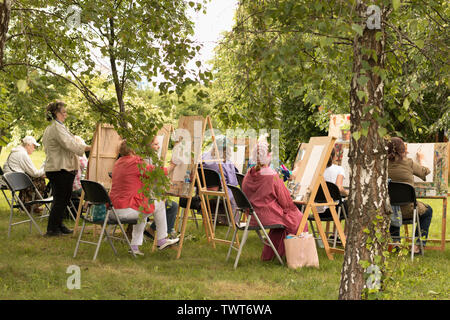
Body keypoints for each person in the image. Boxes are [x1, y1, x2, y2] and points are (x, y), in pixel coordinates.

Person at [109, 139, 179, 255]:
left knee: (143, 209)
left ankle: (135, 247)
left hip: (113, 210)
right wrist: (172, 165)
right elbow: (159, 172)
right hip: (127, 210)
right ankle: (162, 240)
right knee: (159, 203)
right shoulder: (135, 162)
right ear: (133, 150)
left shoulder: (118, 163)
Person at [242, 141, 307, 261]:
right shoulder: (271, 175)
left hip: (252, 216)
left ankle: (273, 255)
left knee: (289, 218)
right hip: (265, 216)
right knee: (298, 218)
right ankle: (294, 257)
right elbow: (285, 202)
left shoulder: (248, 174)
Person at [42, 101, 91, 236]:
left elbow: (70, 143)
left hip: (61, 168)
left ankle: (58, 224)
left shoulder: (57, 126)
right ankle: (52, 229)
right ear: (56, 113)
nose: (66, 115)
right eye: (63, 112)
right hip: (59, 168)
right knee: (60, 199)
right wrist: (89, 148)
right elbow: (70, 144)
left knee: (64, 198)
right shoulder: (56, 128)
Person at [387, 137, 433, 254]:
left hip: (387, 209)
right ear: (403, 149)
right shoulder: (408, 162)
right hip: (408, 210)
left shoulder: (381, 164)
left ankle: (395, 243)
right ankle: (417, 246)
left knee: (394, 205)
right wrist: (421, 159)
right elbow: (425, 171)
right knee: (428, 211)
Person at [143, 136, 179, 239]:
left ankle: (152, 230)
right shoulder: (145, 160)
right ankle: (164, 236)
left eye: (158, 144)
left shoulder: (152, 159)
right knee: (171, 206)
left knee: (172, 205)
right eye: (156, 144)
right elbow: (159, 173)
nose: (159, 147)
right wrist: (172, 165)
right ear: (148, 146)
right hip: (145, 198)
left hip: (151, 195)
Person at [2, 136, 47, 213]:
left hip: (10, 178)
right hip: (14, 181)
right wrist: (46, 169)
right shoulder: (22, 154)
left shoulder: (17, 151)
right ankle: (30, 206)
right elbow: (35, 173)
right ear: (28, 145)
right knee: (40, 180)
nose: (34, 148)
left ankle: (28, 206)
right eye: (34, 146)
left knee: (36, 178)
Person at [316, 147, 349, 218]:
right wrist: (348, 194)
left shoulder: (316, 170)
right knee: (351, 204)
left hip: (318, 212)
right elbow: (339, 188)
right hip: (334, 210)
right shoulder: (339, 169)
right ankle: (345, 229)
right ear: (334, 157)